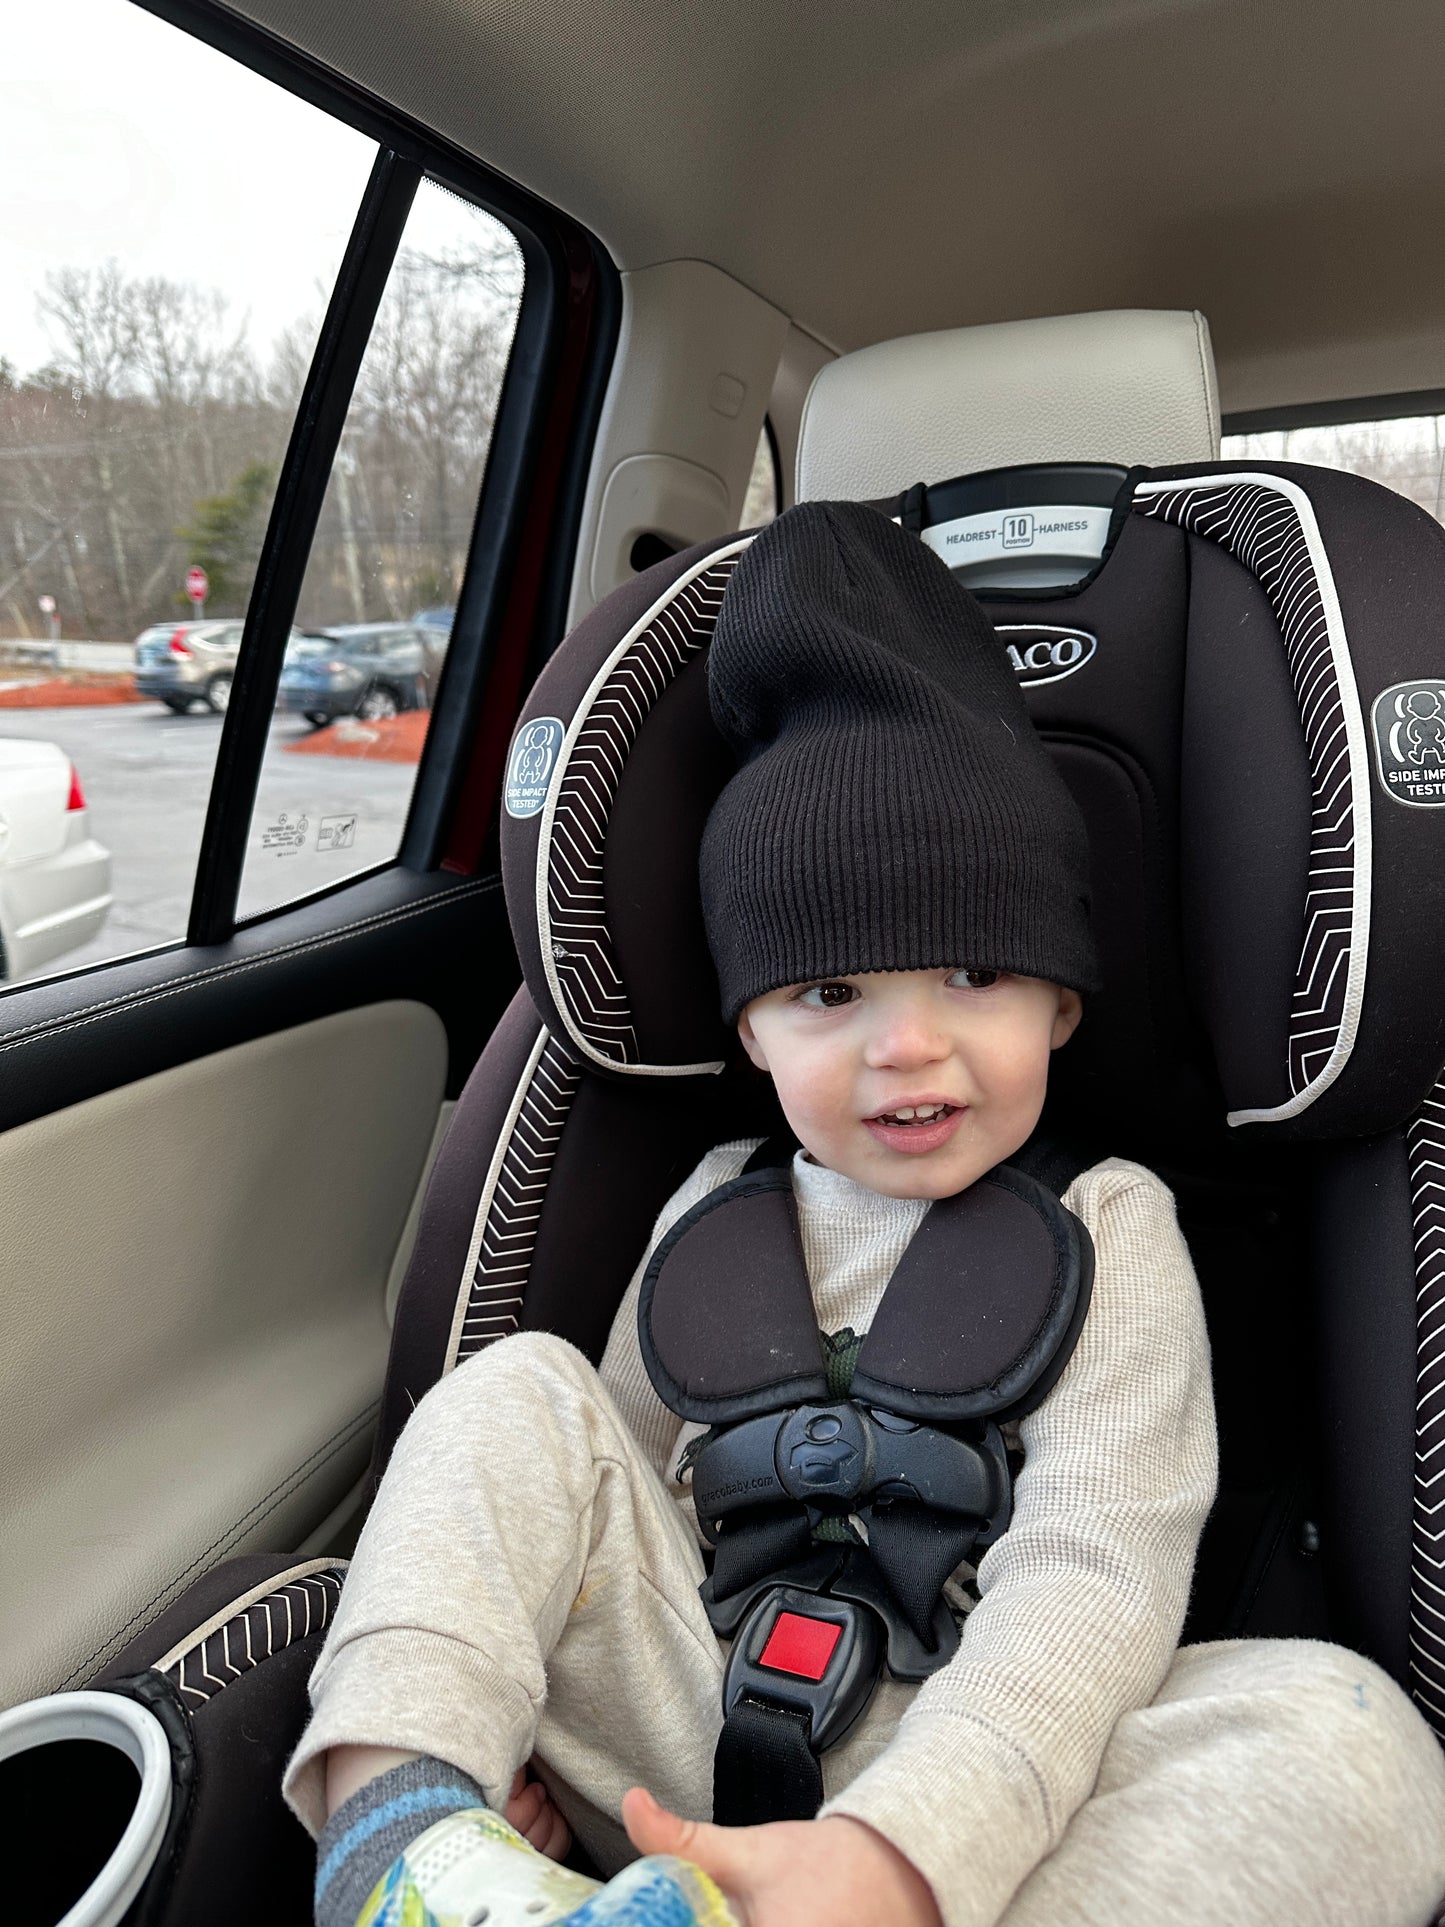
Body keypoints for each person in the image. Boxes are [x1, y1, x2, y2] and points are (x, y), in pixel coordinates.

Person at [283, 503, 1445, 1927]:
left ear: (1060, 1004)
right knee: (514, 1399)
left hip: (986, 1766)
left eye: (971, 975)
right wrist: (510, 1720)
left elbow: (1098, 1569)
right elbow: (602, 1495)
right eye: (830, 996)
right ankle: (405, 1839)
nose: (907, 1047)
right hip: (685, 1735)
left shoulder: (1110, 1222)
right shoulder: (712, 1205)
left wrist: (901, 1848)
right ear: (751, 1037)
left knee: (1348, 1734)